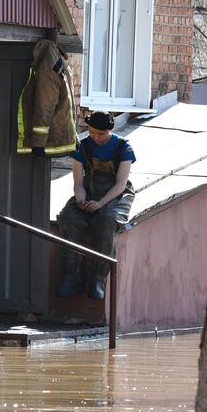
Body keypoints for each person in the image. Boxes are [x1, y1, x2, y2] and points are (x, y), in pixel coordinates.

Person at [55, 112, 135, 301]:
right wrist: (81, 200)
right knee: (69, 218)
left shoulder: (124, 147)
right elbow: (78, 182)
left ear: (111, 130)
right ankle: (72, 277)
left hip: (115, 196)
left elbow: (121, 184)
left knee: (106, 221)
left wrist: (100, 203)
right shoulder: (82, 146)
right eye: (92, 133)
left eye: (101, 134)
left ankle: (99, 279)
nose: (95, 137)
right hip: (89, 193)